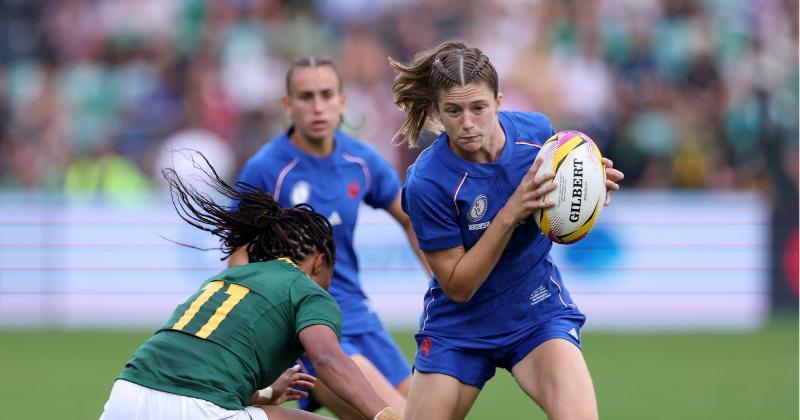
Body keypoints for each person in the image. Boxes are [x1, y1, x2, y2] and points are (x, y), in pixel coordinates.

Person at [389, 41, 625, 420]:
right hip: (459, 328)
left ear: (498, 101)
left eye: (478, 108)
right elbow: (458, 286)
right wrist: (510, 212)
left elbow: (560, 205)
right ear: (436, 111)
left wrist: (589, 187)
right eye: (453, 110)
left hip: (535, 311)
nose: (467, 123)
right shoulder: (427, 182)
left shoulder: (538, 135)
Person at [100, 152, 401, 420]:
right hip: (201, 407)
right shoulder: (307, 290)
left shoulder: (225, 280)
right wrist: (386, 416)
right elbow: (326, 358)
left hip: (126, 397)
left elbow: (194, 375)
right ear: (320, 263)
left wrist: (266, 394)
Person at [229, 56, 429, 419]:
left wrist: (441, 282)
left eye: (326, 94)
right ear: (287, 105)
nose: (318, 106)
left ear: (342, 100)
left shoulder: (361, 160)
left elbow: (412, 218)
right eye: (306, 96)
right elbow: (237, 257)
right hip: (305, 328)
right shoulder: (266, 168)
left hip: (359, 318)